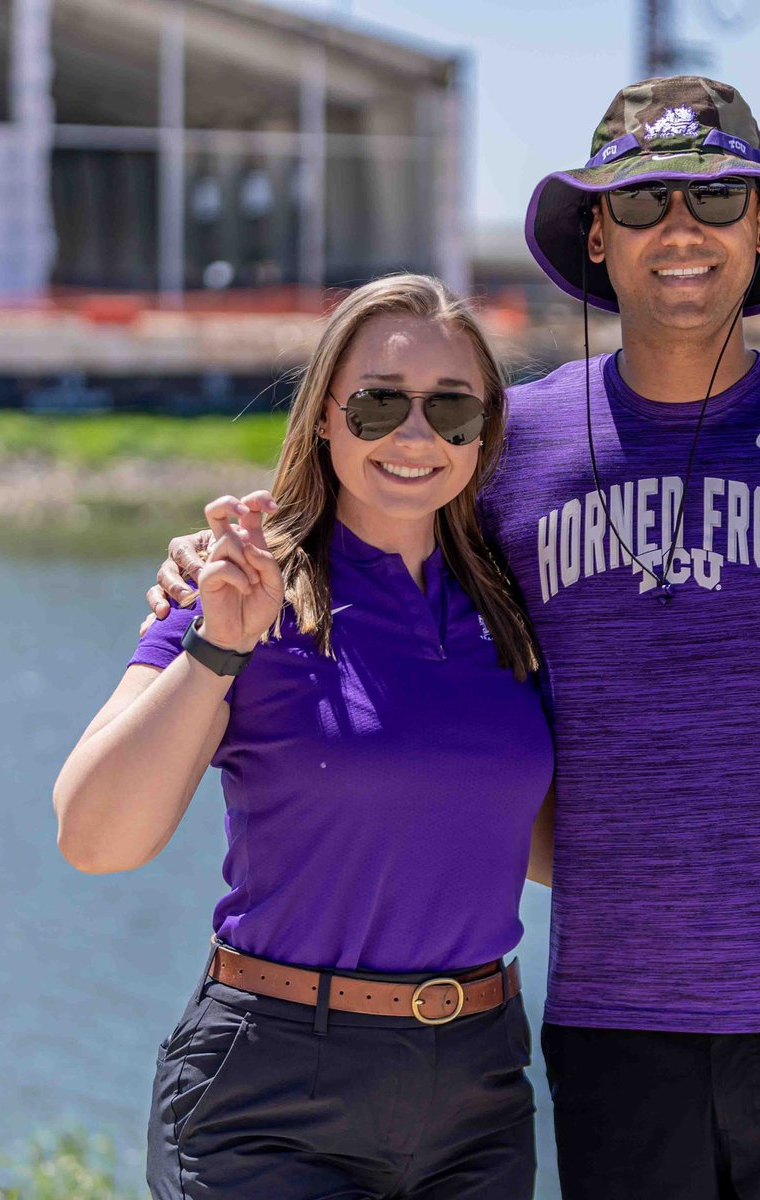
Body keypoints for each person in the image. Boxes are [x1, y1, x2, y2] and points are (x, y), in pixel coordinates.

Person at [145, 78, 760, 1200]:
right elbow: (371, 525)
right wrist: (206, 571)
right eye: (643, 202)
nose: (680, 229)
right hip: (617, 1020)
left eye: (715, 198)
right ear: (598, 235)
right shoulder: (510, 445)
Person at [54, 275, 555, 1200]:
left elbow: (536, 839)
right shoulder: (239, 588)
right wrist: (215, 650)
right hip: (274, 1088)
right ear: (325, 416)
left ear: (485, 431)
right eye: (378, 404)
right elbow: (94, 838)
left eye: (450, 408)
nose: (415, 436)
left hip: (478, 1092)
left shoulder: (515, 604)